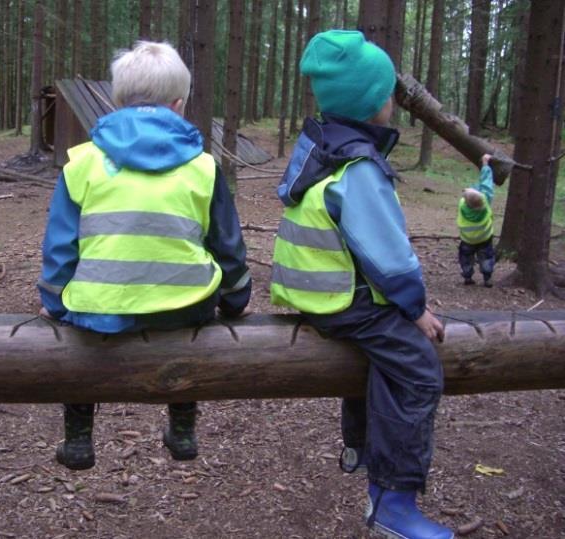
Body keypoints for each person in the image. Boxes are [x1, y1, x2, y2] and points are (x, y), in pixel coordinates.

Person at [270, 30, 452, 539]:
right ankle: (394, 504)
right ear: (376, 104)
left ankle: (363, 455)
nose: (393, 100)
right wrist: (415, 308)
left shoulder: (320, 148)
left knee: (382, 362)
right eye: (389, 92)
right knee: (418, 372)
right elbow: (386, 254)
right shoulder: (361, 169)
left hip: (313, 295)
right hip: (345, 302)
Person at [37, 40, 251, 471]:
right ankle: (183, 426)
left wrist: (56, 303)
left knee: (78, 331)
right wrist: (235, 300)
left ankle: (78, 437)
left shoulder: (82, 162)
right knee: (193, 326)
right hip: (184, 306)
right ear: (179, 104)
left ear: (117, 102)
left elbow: (61, 247)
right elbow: (228, 248)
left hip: (101, 310)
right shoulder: (204, 167)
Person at [457, 154, 495, 287]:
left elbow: (469, 196)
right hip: (485, 239)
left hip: (467, 240)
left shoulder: (462, 205)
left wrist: (467, 191)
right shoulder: (486, 202)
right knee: (487, 257)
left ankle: (467, 276)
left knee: (466, 258)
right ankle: (487, 277)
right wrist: (485, 164)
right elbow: (486, 184)